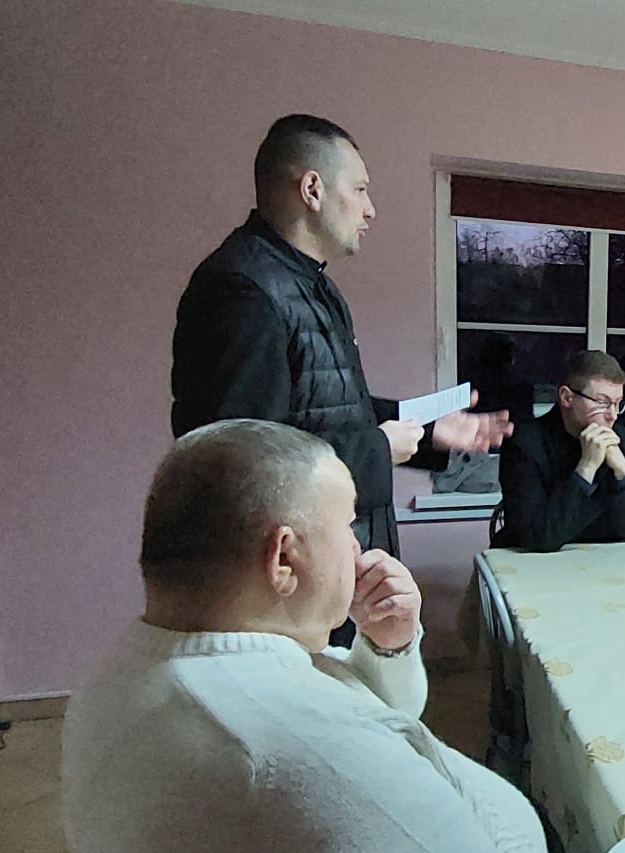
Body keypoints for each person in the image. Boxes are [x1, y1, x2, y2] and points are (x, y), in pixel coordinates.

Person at [62, 420, 625, 853]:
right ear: (284, 558)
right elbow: (330, 741)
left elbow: (363, 703)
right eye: (346, 526)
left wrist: (387, 644)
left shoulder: (135, 664)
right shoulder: (303, 746)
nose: (358, 547)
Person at [169, 114, 511, 572]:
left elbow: (330, 410)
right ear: (312, 190)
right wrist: (377, 450)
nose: (370, 209)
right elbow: (244, 460)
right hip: (286, 572)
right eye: (360, 189)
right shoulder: (242, 289)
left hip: (337, 553)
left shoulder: (314, 286)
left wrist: (428, 430)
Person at [494, 350, 625, 552]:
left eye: (618, 404)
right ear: (566, 397)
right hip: (534, 562)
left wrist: (623, 474)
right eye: (602, 402)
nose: (612, 415)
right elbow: (536, 538)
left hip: (600, 559)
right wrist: (586, 469)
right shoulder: (524, 443)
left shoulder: (623, 439)